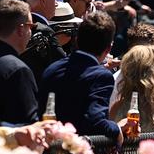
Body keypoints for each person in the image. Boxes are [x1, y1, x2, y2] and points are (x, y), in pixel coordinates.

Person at [40, 11, 130, 142]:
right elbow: (96, 122)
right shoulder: (101, 76)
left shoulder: (52, 69)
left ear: (76, 40)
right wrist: (116, 128)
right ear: (109, 48)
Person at [0, 0, 38, 124]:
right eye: (31, 26)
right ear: (21, 29)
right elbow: (28, 125)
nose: (31, 33)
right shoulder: (18, 70)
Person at [21, 0, 66, 84]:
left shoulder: (18, 25)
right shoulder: (45, 31)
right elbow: (63, 67)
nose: (56, 4)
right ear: (43, 0)